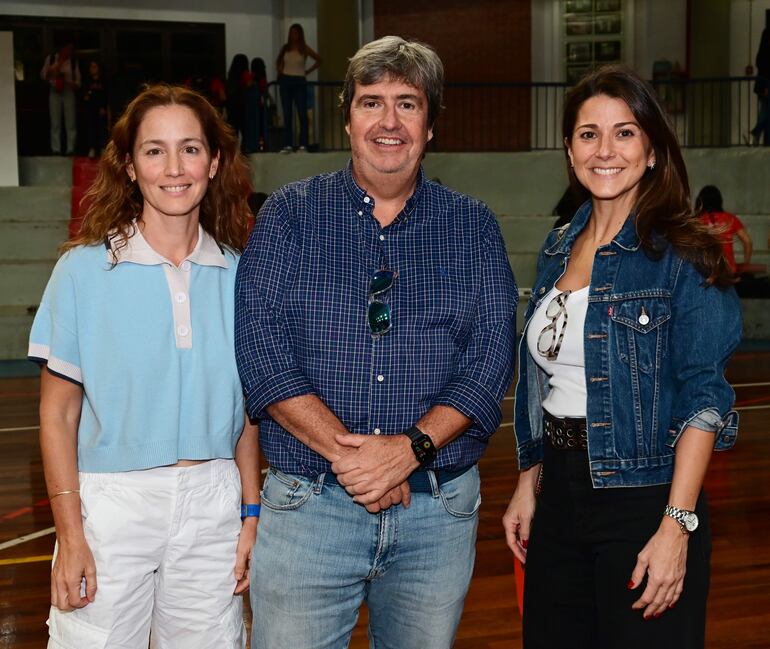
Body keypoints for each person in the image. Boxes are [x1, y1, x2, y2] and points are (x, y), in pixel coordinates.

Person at [236, 35, 517, 649]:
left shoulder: (473, 225)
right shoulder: (289, 215)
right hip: (309, 505)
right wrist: (359, 461)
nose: (389, 121)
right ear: (347, 118)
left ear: (431, 124)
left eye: (408, 104)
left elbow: (493, 357)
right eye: (371, 102)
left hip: (436, 516)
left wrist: (410, 449)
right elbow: (261, 351)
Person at [502, 65, 741, 649]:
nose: (605, 150)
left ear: (653, 148)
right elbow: (547, 375)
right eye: (589, 134)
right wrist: (529, 479)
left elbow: (704, 398)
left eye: (625, 132)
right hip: (557, 495)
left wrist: (675, 526)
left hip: (645, 500)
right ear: (569, 148)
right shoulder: (559, 247)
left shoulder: (685, 255)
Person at [29, 84, 258, 649]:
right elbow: (57, 417)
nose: (173, 168)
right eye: (154, 151)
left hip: (213, 504)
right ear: (129, 167)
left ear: (215, 161)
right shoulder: (82, 271)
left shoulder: (243, 276)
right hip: (110, 507)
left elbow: (251, 415)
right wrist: (71, 535)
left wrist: (250, 514)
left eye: (190, 148)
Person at [275, 23, 321, 152]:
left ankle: (303, 144)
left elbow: (319, 60)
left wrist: (307, 71)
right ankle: (288, 144)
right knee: (287, 113)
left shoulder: (304, 48)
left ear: (300, 34)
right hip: (285, 80)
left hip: (299, 80)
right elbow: (279, 62)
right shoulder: (285, 48)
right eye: (291, 32)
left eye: (296, 33)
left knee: (301, 112)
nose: (293, 35)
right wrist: (280, 71)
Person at [695, 185, 752, 274]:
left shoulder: (697, 221)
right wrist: (746, 264)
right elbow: (747, 241)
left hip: (706, 271)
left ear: (701, 201)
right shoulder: (731, 218)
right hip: (728, 271)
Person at [41, 41, 81, 155]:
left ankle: (70, 149)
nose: (69, 51)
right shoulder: (52, 58)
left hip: (68, 90)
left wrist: (70, 83)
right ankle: (56, 149)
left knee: (70, 121)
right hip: (54, 90)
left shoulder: (73, 62)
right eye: (68, 48)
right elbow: (44, 75)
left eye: (71, 49)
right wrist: (59, 63)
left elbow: (78, 82)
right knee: (55, 121)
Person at [82, 60, 109, 158]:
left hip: (101, 109)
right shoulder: (87, 81)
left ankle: (102, 148)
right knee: (91, 128)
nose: (92, 69)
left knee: (102, 128)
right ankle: (92, 148)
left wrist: (103, 107)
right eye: (91, 67)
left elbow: (106, 95)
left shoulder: (103, 81)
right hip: (90, 109)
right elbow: (85, 95)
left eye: (95, 67)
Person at [243, 58, 268, 154]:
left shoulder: (251, 76)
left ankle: (252, 146)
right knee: (261, 126)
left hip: (252, 106)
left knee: (252, 126)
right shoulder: (262, 78)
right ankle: (261, 146)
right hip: (260, 105)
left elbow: (248, 86)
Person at [750, 27, 769, 146]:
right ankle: (755, 133)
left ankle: (756, 134)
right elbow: (763, 63)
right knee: (766, 111)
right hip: (766, 83)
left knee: (765, 110)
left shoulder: (766, 35)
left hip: (764, 83)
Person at [226, 53, 249, 143]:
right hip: (242, 105)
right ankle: (244, 150)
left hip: (232, 105)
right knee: (245, 129)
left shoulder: (230, 77)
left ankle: (233, 151)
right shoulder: (244, 77)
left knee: (233, 130)